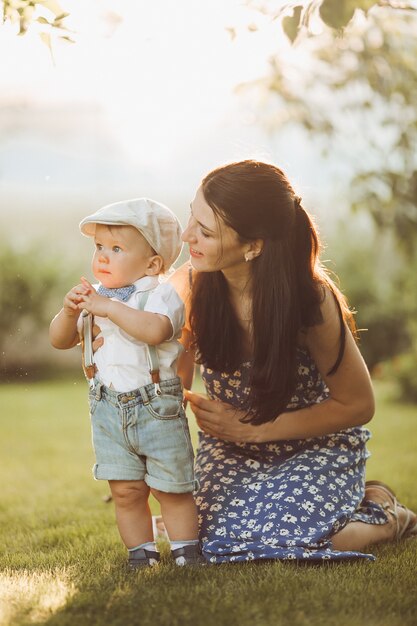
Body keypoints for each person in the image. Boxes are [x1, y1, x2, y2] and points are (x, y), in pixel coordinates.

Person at [165, 159, 417, 563]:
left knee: (291, 541)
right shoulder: (192, 285)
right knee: (203, 540)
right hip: (230, 446)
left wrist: (256, 430)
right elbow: (171, 382)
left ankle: (386, 513)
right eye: (191, 216)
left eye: (205, 231)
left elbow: (358, 404)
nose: (186, 235)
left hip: (313, 444)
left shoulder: (309, 300)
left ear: (253, 246)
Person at [49, 198, 203, 568]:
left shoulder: (160, 294)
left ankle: (186, 551)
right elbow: (60, 340)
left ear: (152, 263)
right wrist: (70, 312)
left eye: (116, 249)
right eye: (99, 247)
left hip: (156, 408)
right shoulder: (95, 297)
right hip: (107, 409)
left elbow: (156, 330)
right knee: (125, 489)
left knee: (172, 487)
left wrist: (108, 308)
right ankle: (141, 554)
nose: (103, 256)